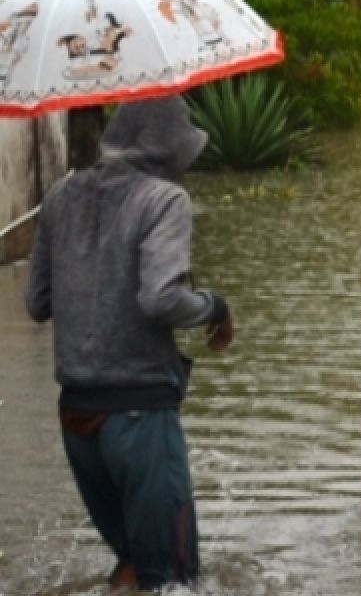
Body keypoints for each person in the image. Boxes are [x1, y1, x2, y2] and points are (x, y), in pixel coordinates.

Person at [24, 95, 234, 591]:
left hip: (77, 419)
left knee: (131, 566)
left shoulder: (58, 197)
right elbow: (161, 299)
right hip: (139, 412)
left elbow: (36, 303)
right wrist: (215, 306)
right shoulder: (165, 200)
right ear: (171, 148)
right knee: (175, 579)